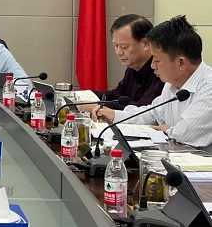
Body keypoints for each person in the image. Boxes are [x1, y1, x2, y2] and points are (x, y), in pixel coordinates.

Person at [91, 15, 212, 148]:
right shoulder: (172, 84)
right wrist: (115, 115)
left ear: (181, 63)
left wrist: (168, 130)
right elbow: (152, 114)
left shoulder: (209, 87)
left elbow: (185, 134)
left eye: (157, 60)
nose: (152, 65)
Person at [82, 14, 163, 111]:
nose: (119, 52)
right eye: (116, 46)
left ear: (146, 44)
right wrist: (82, 96)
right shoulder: (132, 68)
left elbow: (143, 109)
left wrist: (99, 106)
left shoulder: (160, 70)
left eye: (124, 46)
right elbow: (116, 96)